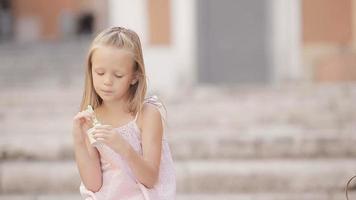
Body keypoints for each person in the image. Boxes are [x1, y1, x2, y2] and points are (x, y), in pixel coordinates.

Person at [71, 26, 176, 200]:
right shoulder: (92, 118)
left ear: (134, 77)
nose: (107, 81)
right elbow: (93, 184)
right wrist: (79, 140)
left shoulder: (147, 115)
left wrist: (122, 146)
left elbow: (150, 179)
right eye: (99, 72)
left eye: (118, 75)